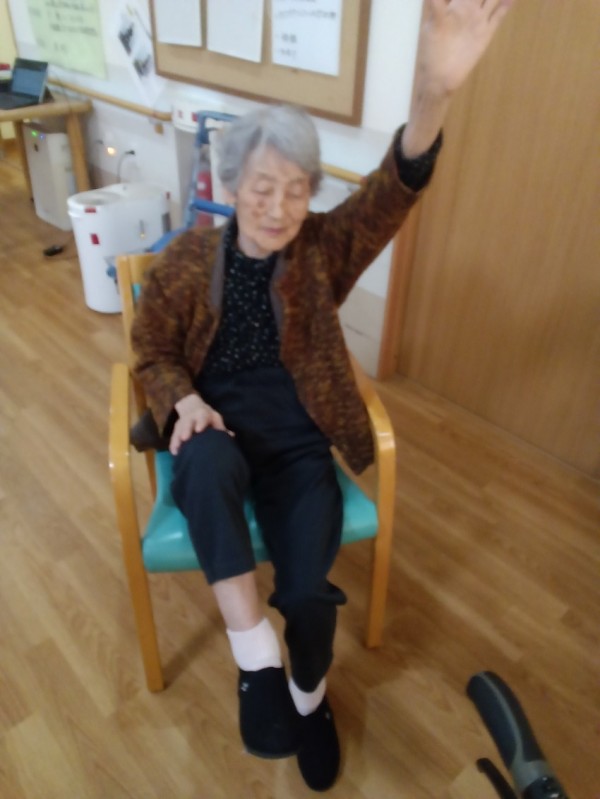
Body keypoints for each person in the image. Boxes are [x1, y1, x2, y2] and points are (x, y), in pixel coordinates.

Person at [131, 0, 516, 791]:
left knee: (310, 594)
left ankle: (308, 697)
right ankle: (256, 663)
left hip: (299, 442)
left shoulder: (323, 249)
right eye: (262, 187)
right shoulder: (184, 261)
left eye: (297, 190)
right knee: (201, 459)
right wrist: (183, 402)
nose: (278, 208)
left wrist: (434, 93)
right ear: (232, 183)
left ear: (311, 195)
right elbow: (151, 350)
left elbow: (394, 188)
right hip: (218, 431)